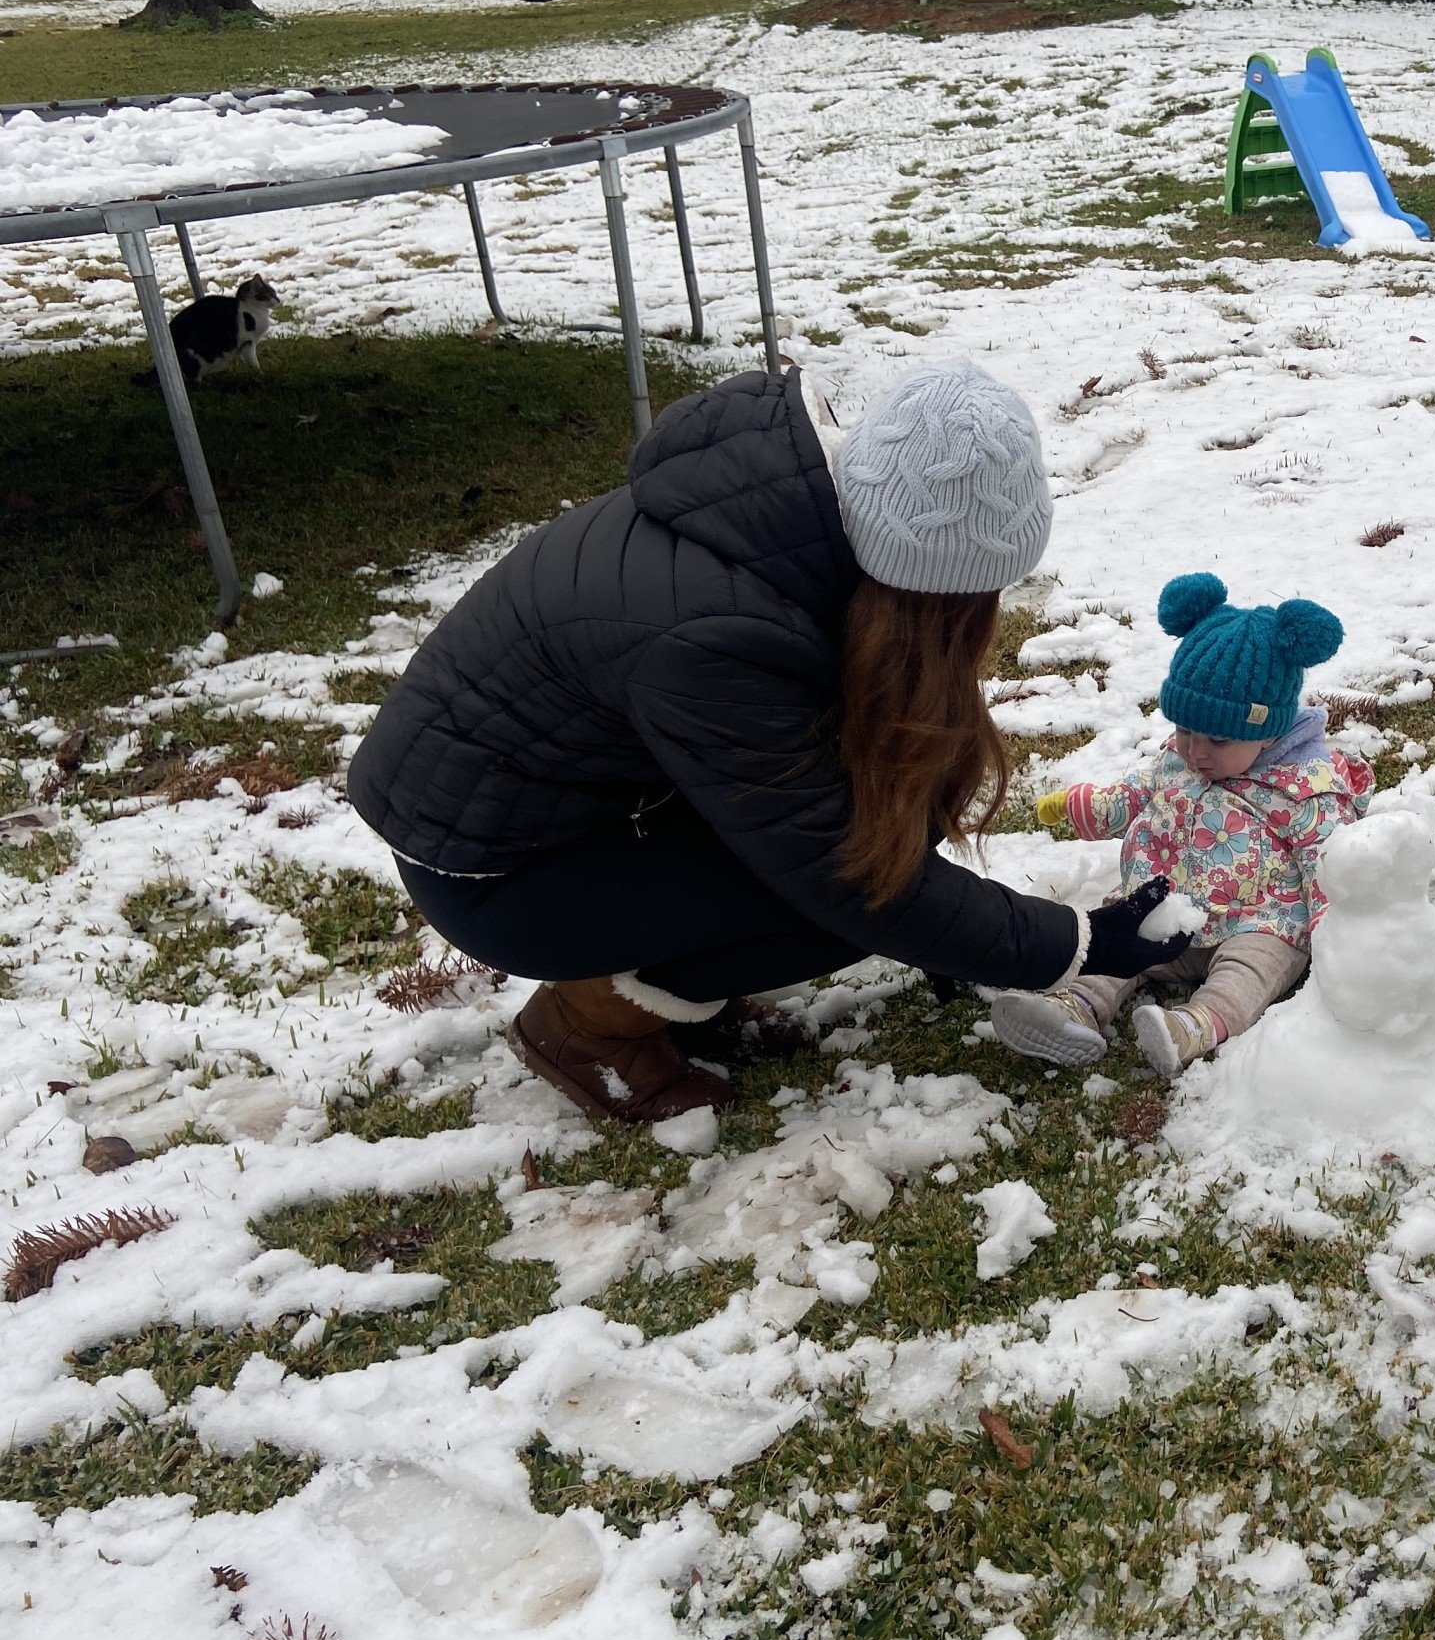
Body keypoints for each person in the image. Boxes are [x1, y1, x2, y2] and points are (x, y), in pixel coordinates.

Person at [349, 361, 1192, 1125]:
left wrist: (956, 923)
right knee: (852, 893)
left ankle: (678, 984)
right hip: (498, 868)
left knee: (892, 825)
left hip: (588, 800)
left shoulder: (784, 515)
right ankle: (592, 1024)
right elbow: (852, 879)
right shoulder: (714, 635)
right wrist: (1074, 943)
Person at [990, 573, 1373, 1079]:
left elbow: (1327, 859)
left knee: (1249, 971)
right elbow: (1140, 790)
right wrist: (1089, 806)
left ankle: (1193, 1027)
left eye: (1216, 739)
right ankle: (1073, 1008)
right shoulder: (1181, 760)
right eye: (1185, 729)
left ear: (1267, 731)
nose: (1195, 750)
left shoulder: (1303, 788)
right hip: (1171, 907)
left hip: (1257, 918)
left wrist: (1334, 927)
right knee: (1116, 942)